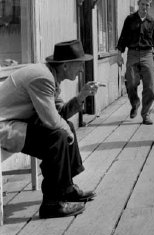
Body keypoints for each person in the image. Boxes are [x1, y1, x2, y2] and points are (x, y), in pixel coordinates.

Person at [0, 40, 98, 218]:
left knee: (63, 128)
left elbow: (59, 113)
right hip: (4, 127)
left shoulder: (51, 76)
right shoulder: (43, 78)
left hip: (18, 123)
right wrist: (67, 132)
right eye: (80, 65)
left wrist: (82, 96)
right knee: (58, 135)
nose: (82, 70)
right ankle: (52, 204)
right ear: (66, 66)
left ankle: (66, 189)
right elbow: (52, 120)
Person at [116, 0, 154, 125]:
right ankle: (135, 103)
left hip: (147, 54)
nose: (144, 7)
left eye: (147, 5)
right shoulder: (130, 19)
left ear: (150, 6)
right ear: (138, 4)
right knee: (130, 83)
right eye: (142, 4)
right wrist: (119, 55)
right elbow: (123, 38)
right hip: (132, 54)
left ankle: (146, 114)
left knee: (150, 87)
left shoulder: (153, 22)